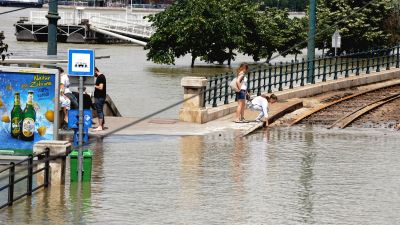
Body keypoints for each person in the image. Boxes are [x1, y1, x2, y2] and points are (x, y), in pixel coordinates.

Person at [93, 67, 106, 131]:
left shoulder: (101, 77)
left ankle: (100, 126)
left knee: (99, 111)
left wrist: (93, 85)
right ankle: (102, 125)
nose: (93, 76)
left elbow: (101, 87)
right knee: (100, 111)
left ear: (95, 71)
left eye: (92, 74)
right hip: (100, 96)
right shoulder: (100, 76)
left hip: (99, 97)